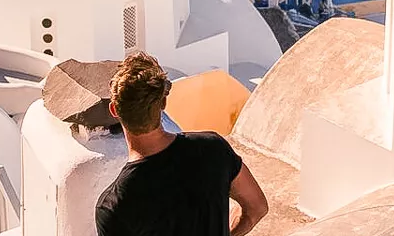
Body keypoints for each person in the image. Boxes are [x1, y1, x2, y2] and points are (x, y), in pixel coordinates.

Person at [96, 53, 268, 236]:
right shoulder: (213, 149)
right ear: (163, 102)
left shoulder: (113, 205)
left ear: (114, 109)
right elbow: (257, 207)